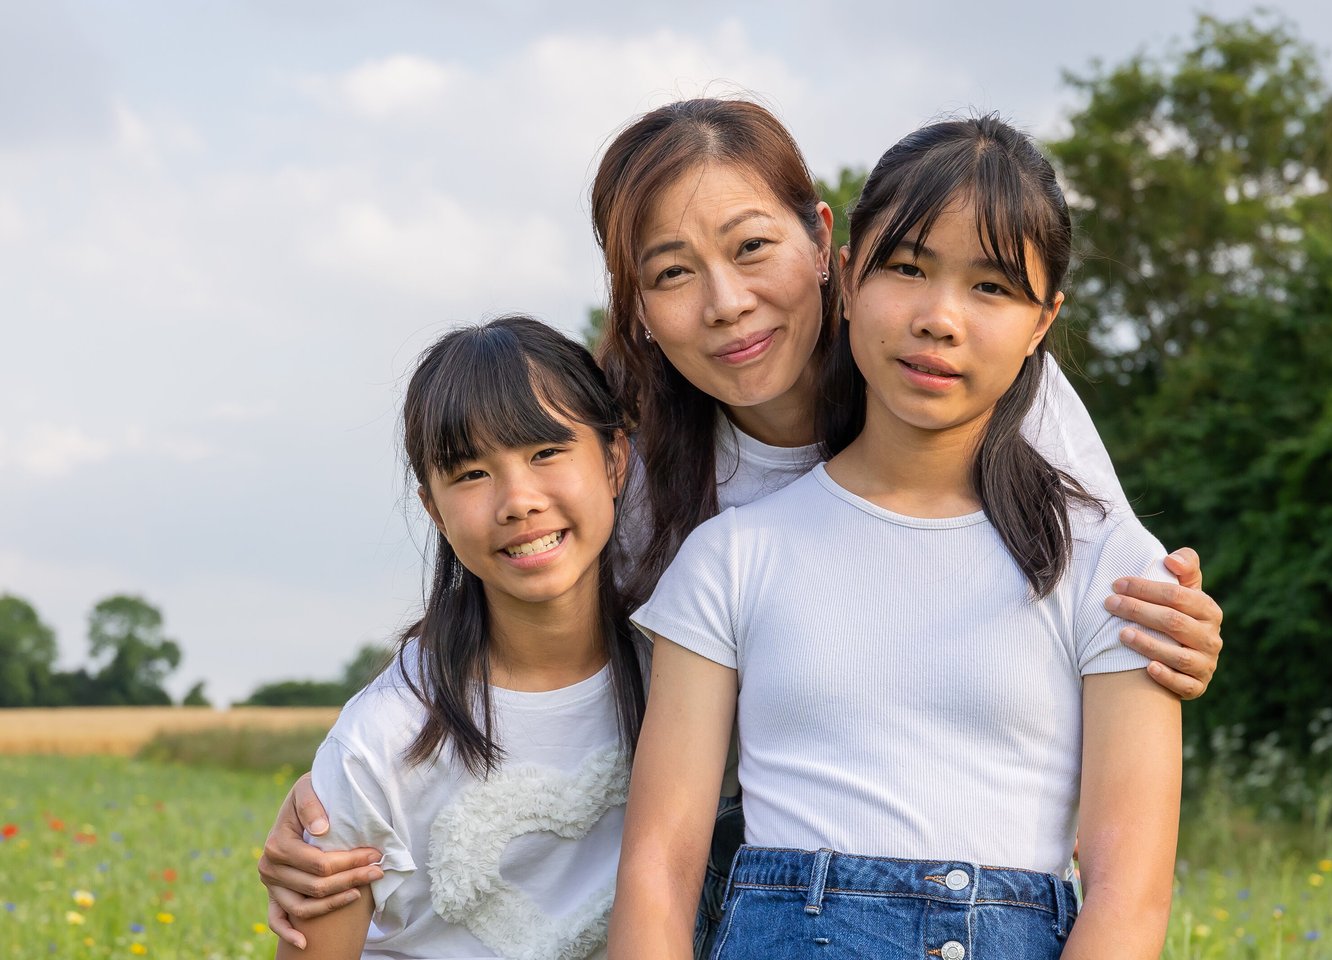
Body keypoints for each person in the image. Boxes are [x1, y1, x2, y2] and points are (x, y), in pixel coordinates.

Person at [259, 99, 1224, 956]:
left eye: (751, 247)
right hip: (761, 879)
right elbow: (519, 622)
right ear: (635, 308)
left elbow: (1118, 596)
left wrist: (1181, 630)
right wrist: (356, 784)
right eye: (673, 273)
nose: (727, 304)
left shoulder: (992, 387)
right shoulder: (648, 493)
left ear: (821, 248)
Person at [610, 115, 1182, 959]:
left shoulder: (1106, 563)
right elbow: (659, 868)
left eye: (992, 288)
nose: (939, 318)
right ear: (847, 276)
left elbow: (1129, 896)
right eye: (907, 269)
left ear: (1042, 322)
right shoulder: (728, 554)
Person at [274, 316, 646, 960]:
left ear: (615, 460)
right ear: (434, 510)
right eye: (472, 473)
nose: (517, 500)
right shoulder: (381, 742)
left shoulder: (682, 672)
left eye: (545, 452)